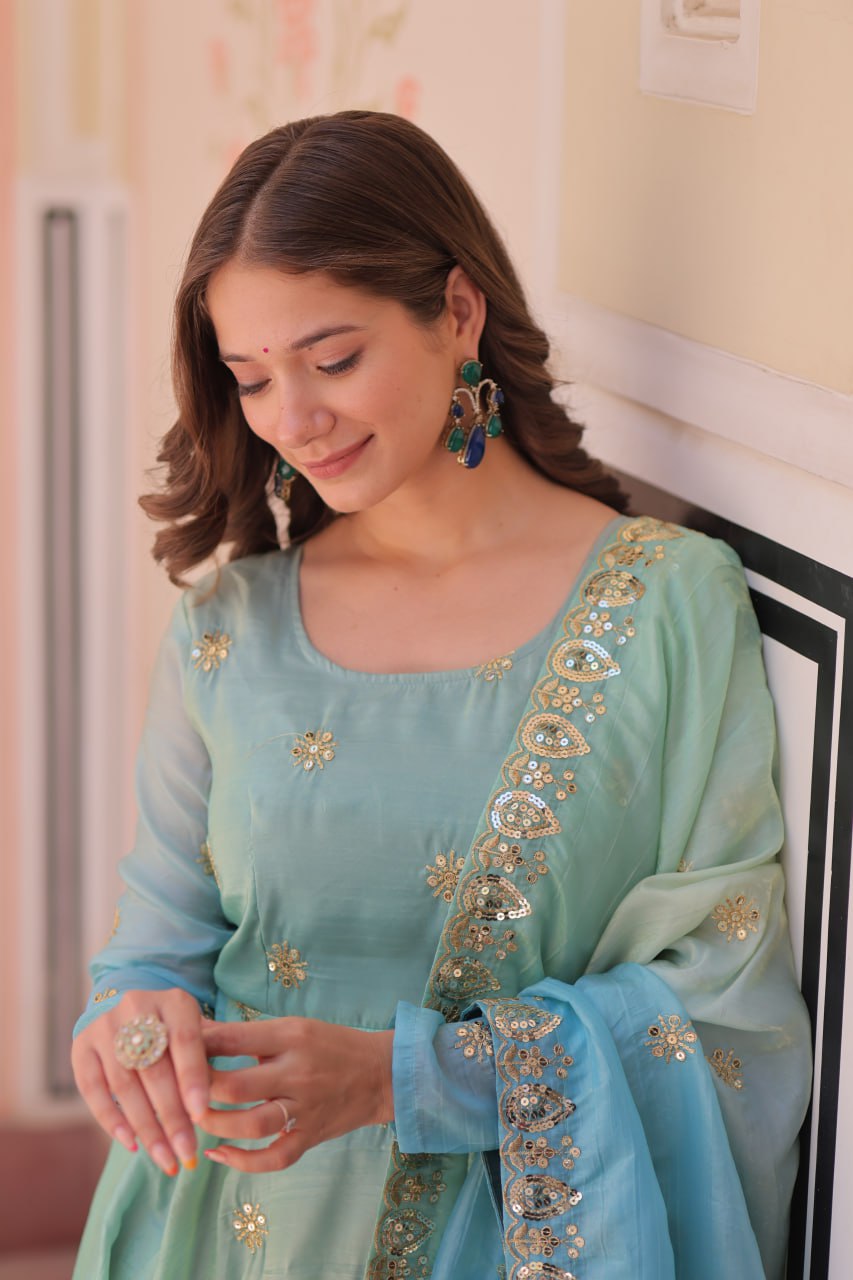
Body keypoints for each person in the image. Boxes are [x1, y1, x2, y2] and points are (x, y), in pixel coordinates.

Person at [71, 110, 811, 1280]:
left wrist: (402, 1078)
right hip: (227, 1231)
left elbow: (719, 1001)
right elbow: (156, 948)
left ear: (457, 311)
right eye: (251, 377)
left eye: (332, 358)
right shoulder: (227, 629)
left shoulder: (665, 605)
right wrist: (126, 1023)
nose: (292, 419)